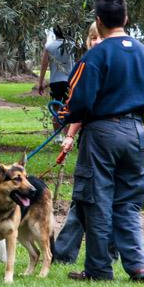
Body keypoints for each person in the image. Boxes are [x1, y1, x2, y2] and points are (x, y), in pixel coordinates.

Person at [60, 0, 144, 283]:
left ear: (98, 21)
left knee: (96, 200)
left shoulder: (95, 55)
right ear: (125, 18)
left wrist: (66, 118)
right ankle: (138, 265)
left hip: (103, 133)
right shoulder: (142, 52)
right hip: (137, 132)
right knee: (128, 202)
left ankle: (99, 269)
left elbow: (78, 99)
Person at [51, 23, 102, 264]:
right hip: (96, 136)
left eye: (99, 37)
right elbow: (80, 107)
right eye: (92, 38)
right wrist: (70, 136)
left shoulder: (91, 66)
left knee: (84, 197)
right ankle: (62, 253)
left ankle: (65, 253)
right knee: (83, 198)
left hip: (101, 139)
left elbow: (78, 106)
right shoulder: (89, 64)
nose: (95, 42)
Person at [37, 27, 75, 141]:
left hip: (55, 82)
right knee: (68, 109)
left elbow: (44, 66)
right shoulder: (72, 45)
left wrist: (41, 82)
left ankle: (57, 136)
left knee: (56, 109)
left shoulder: (49, 46)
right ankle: (68, 135)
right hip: (70, 82)